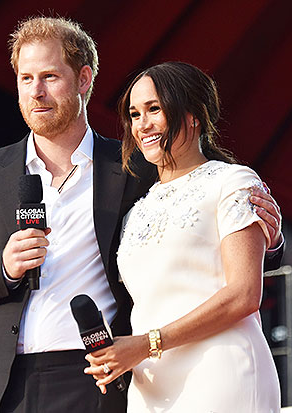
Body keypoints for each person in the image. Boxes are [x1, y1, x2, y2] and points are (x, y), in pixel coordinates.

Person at [0, 17, 284, 413]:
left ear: (84, 79)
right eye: (25, 78)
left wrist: (271, 238)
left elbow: (205, 220)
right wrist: (5, 268)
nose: (37, 92)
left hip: (100, 377)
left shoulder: (140, 167)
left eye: (49, 76)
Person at [84, 62, 281, 412]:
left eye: (154, 109)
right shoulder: (136, 208)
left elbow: (244, 295)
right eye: (134, 113)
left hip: (220, 373)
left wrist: (147, 344)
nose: (142, 124)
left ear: (194, 115)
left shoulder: (232, 182)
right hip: (150, 385)